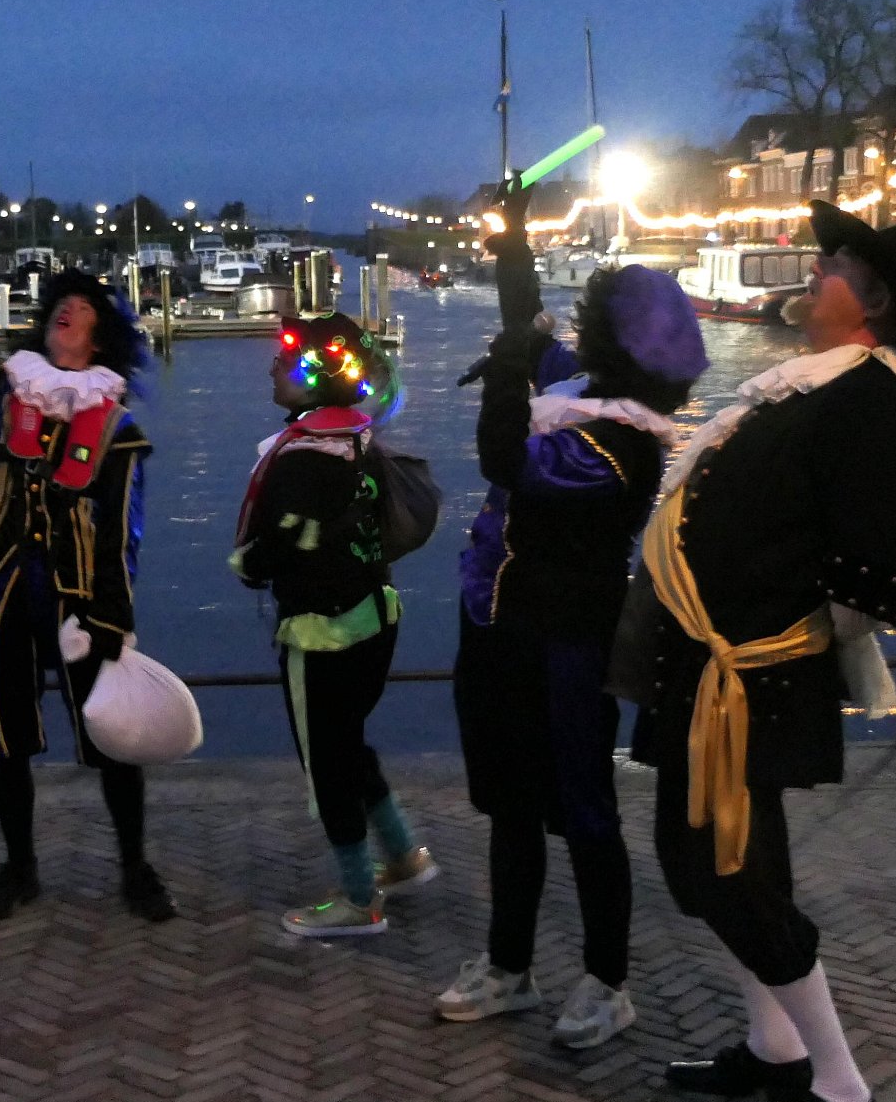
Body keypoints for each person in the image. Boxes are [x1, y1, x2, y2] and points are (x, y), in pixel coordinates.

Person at [626, 198, 896, 1102]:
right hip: (707, 669)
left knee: (731, 877)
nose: (816, 271)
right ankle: (776, 1049)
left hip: (748, 677)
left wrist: (775, 640)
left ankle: (844, 1094)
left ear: (873, 302)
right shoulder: (810, 386)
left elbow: (875, 568)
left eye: (835, 265)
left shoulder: (871, 398)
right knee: (709, 868)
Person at [434, 181, 709, 1048]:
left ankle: (607, 980)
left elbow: (504, 458)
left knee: (585, 809)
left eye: (592, 324)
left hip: (569, 642)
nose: (577, 333)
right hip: (498, 624)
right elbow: (531, 325)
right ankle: (509, 966)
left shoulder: (619, 445)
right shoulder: (586, 389)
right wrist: (513, 245)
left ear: (620, 347)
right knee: (511, 803)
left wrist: (505, 368)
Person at [0, 138, 176, 923]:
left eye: (84, 309)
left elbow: (123, 530)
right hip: (1, 582)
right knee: (5, 734)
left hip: (79, 596)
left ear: (99, 337)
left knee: (110, 737)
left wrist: (113, 616)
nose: (69, 310)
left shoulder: (117, 428)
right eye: (61, 304)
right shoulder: (5, 397)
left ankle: (134, 866)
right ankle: (20, 866)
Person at [231, 311, 435, 937]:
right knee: (348, 741)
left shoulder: (299, 459)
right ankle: (402, 857)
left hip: (323, 632)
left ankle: (357, 900)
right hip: (375, 617)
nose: (272, 368)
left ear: (314, 379)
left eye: (285, 360)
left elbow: (271, 551)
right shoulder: (356, 440)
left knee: (326, 761)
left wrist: (248, 564)